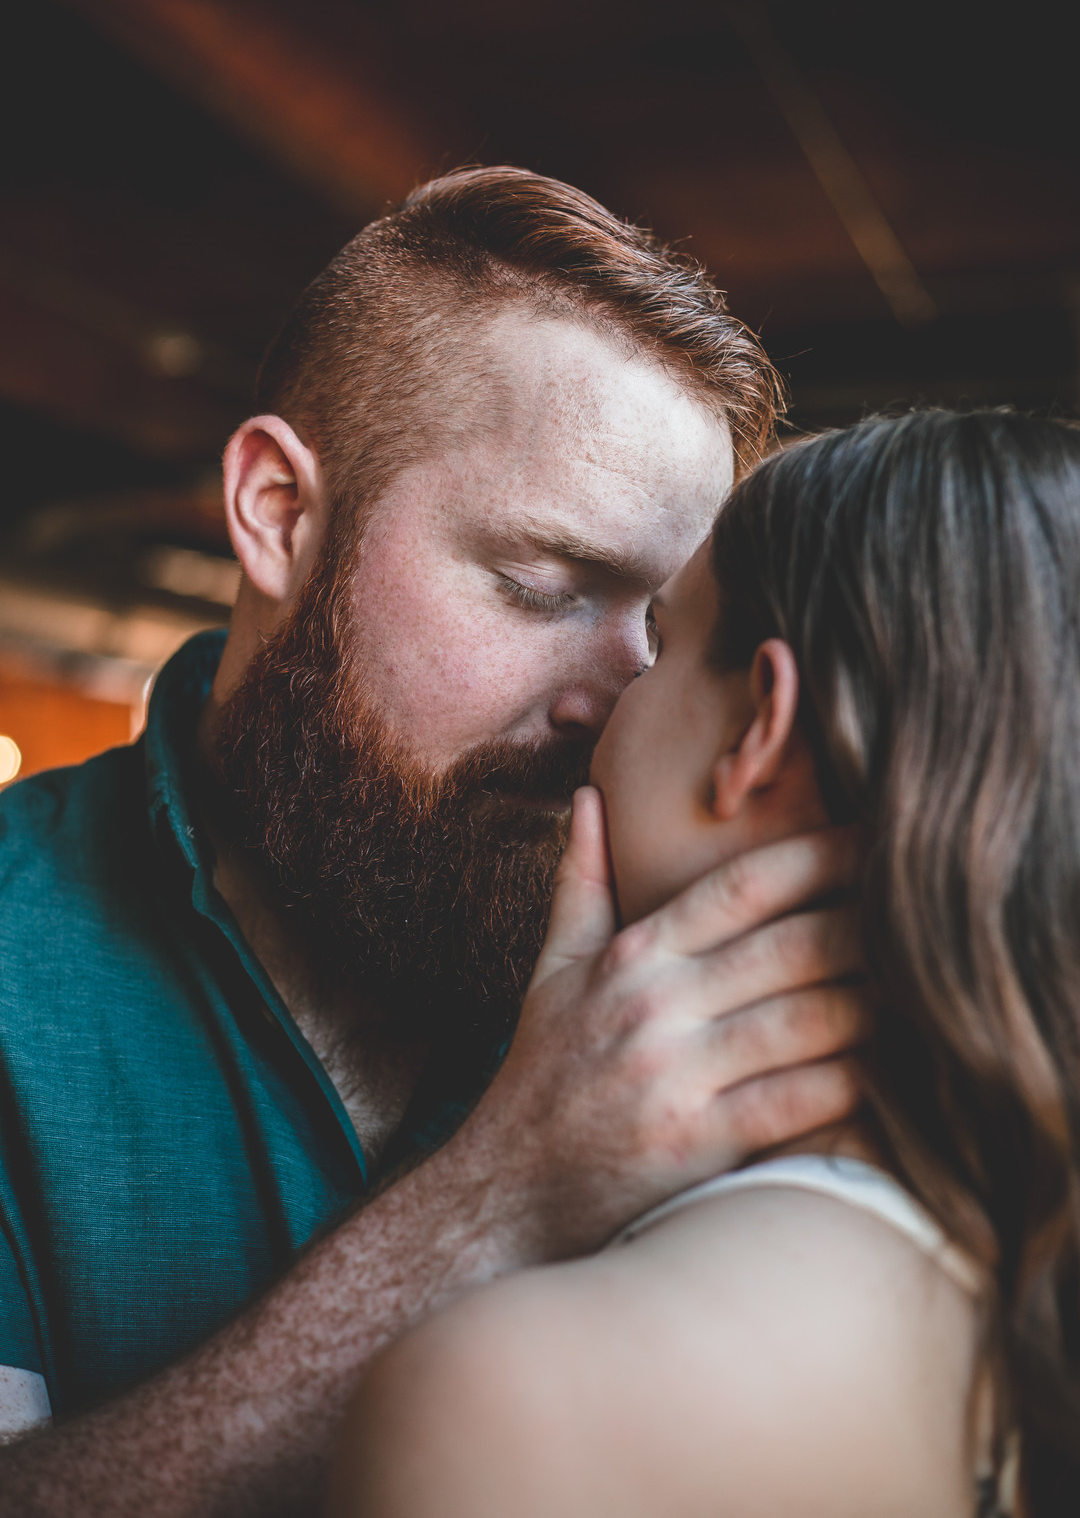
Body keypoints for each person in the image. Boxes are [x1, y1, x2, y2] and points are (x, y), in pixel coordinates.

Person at [0, 168, 864, 1515]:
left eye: (663, 629)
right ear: (279, 513)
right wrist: (496, 1208)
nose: (618, 698)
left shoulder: (689, 980)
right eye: (542, 586)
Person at [333, 408, 1080, 1518]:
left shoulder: (524, 1402)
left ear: (758, 731)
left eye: (664, 645)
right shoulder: (1019, 1255)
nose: (600, 701)